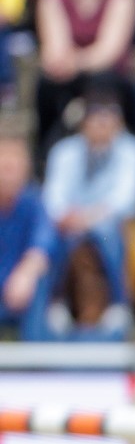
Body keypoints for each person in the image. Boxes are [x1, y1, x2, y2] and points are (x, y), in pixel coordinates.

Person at [39, 86, 135, 337]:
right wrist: (70, 218)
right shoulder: (64, 152)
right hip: (70, 228)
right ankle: (57, 300)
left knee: (108, 234)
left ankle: (119, 302)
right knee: (54, 235)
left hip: (106, 227)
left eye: (108, 122)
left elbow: (125, 201)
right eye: (96, 121)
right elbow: (53, 198)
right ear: (83, 124)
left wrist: (87, 218)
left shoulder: (132, 150)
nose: (102, 128)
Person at [32, 0, 135, 152]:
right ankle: (45, 152)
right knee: (47, 83)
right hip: (70, 74)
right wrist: (66, 62)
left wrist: (73, 62)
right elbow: (53, 50)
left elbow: (109, 52)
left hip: (108, 75)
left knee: (101, 80)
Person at [0, 140, 56, 340]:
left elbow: (43, 244)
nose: (9, 175)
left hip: (20, 293)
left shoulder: (33, 203)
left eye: (14, 167)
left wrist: (26, 273)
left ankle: (36, 364)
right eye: (5, 167)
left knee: (38, 279)